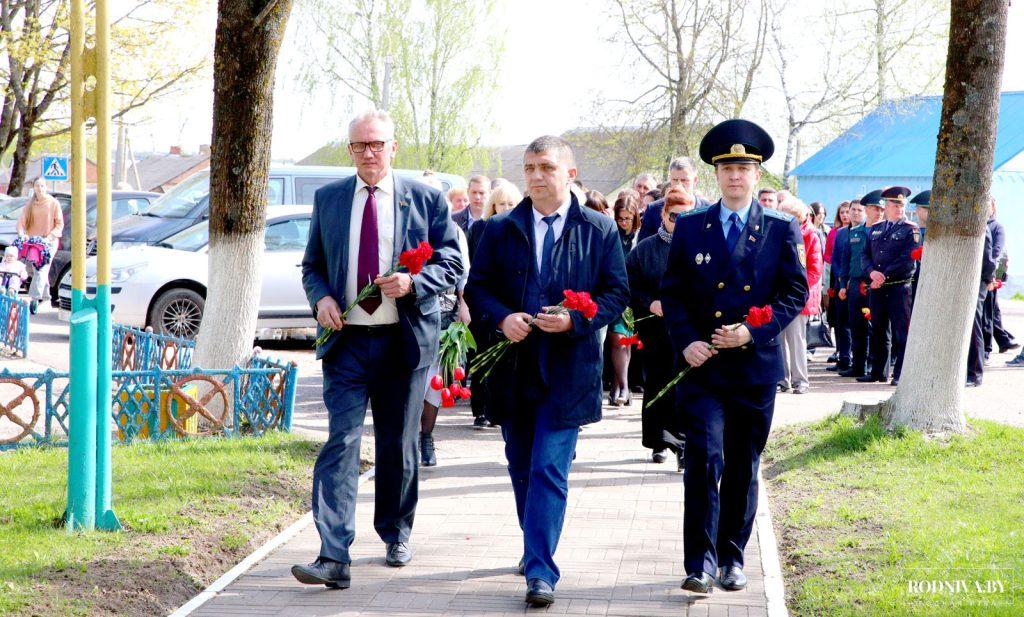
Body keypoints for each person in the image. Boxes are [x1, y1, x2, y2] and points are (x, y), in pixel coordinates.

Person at [293, 110, 464, 589]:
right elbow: (312, 266)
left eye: (376, 144)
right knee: (341, 443)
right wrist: (322, 297)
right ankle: (333, 554)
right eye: (358, 146)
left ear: (393, 148)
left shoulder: (425, 199)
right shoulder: (330, 199)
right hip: (347, 343)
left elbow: (452, 261)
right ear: (349, 150)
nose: (368, 153)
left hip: (403, 343)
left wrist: (414, 281)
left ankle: (395, 530)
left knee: (397, 445)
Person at [464, 135, 629, 608]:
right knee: (520, 466)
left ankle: (541, 571)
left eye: (547, 167)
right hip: (514, 368)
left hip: (568, 369)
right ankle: (534, 543)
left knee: (549, 468)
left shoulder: (599, 229)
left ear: (569, 174)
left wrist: (576, 320)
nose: (536, 176)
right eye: (529, 167)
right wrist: (501, 317)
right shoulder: (497, 230)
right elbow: (478, 289)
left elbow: (616, 293)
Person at [661, 119, 807, 595]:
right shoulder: (690, 227)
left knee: (743, 463)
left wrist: (752, 331)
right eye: (726, 167)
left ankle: (732, 557)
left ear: (757, 173)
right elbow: (674, 295)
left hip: (753, 368)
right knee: (704, 459)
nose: (735, 176)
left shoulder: (780, 229)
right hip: (702, 366)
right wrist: (685, 341)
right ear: (715, 174)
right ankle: (698, 563)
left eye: (744, 167)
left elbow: (794, 294)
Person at [626, 186, 694, 470]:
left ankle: (682, 444)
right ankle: (657, 441)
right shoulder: (646, 249)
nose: (680, 222)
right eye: (675, 216)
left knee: (684, 384)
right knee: (657, 381)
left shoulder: (699, 247)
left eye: (687, 217)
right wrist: (650, 303)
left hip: (689, 328)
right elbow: (628, 285)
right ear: (664, 215)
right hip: (655, 327)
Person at [465, 182, 524, 429]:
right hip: (485, 304)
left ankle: (499, 406)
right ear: (493, 205)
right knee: (482, 356)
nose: (507, 208)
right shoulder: (481, 228)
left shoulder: (522, 229)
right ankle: (480, 408)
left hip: (510, 307)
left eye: (512, 204)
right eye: (502, 203)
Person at [419, 227, 472, 466]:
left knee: (435, 378)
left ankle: (426, 438)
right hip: (408, 308)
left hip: (444, 311)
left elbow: (463, 270)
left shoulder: (453, 229)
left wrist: (463, 304)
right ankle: (407, 439)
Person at [858, 186, 920, 386]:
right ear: (885, 206)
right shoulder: (876, 228)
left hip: (899, 287)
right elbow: (864, 255)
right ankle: (878, 372)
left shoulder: (911, 229)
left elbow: (908, 259)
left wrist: (883, 275)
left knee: (901, 332)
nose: (899, 208)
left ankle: (900, 373)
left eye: (901, 204)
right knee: (878, 329)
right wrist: (871, 272)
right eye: (895, 204)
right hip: (878, 287)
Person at [775, 199, 821, 394]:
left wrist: (796, 290)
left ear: (798, 217)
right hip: (778, 295)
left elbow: (815, 270)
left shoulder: (810, 235)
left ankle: (800, 380)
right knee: (779, 338)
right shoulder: (778, 232)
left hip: (797, 297)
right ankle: (782, 379)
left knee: (796, 339)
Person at [608, 191, 642, 405]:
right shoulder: (611, 235)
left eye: (627, 218)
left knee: (627, 343)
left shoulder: (641, 235)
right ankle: (624, 386)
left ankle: (617, 385)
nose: (623, 223)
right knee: (618, 341)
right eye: (620, 219)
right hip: (614, 294)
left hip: (635, 296)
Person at [15, 177, 64, 314]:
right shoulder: (30, 205)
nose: (40, 188)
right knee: (39, 270)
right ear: (34, 188)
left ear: (46, 187)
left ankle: (34, 298)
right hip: (34, 242)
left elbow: (59, 224)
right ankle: (47, 297)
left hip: (49, 241)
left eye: (42, 186)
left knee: (42, 268)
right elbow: (21, 223)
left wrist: (50, 236)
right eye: (37, 186)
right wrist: (22, 234)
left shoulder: (53, 203)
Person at [638, 156, 711, 241]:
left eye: (684, 180)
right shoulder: (653, 209)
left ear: (695, 180)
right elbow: (642, 249)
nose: (679, 184)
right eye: (675, 180)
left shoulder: (709, 211)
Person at [983, 198, 1018, 356]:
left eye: (988, 205)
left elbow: (996, 252)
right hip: (981, 275)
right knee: (992, 311)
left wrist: (991, 276)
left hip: (991, 274)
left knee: (988, 312)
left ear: (992, 208)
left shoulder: (996, 227)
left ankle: (987, 348)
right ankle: (1004, 340)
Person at [967, 220, 998, 386]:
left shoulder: (979, 225)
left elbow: (987, 258)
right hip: (966, 281)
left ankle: (974, 374)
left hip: (977, 281)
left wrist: (986, 280)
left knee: (973, 325)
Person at [825, 202, 852, 371]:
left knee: (852, 323)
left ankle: (852, 357)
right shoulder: (836, 233)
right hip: (838, 280)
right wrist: (840, 276)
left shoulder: (859, 231)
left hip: (854, 282)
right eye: (842, 212)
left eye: (847, 212)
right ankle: (842, 355)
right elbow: (832, 257)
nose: (845, 215)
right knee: (839, 321)